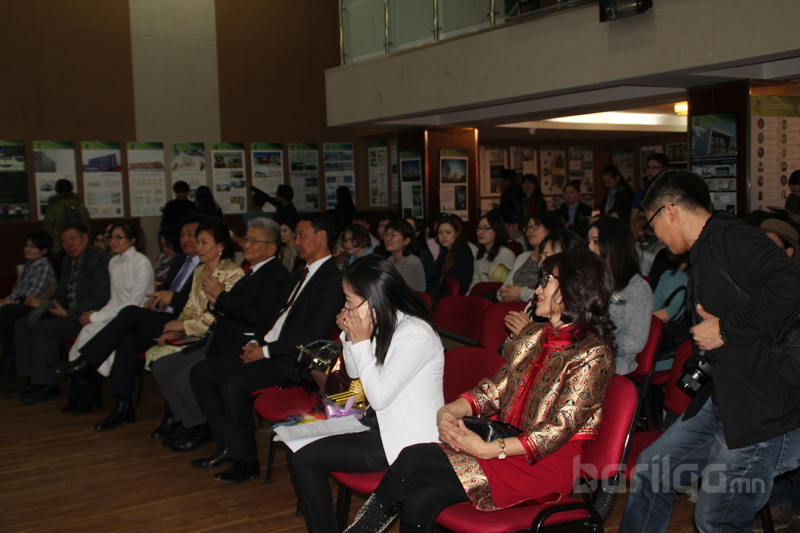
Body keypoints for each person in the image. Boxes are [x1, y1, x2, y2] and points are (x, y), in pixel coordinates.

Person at [344, 248, 616, 533]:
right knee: (419, 501)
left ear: (572, 288)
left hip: (542, 467)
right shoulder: (534, 335)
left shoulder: (593, 353)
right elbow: (495, 390)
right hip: (503, 448)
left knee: (414, 459)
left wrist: (489, 449)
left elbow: (558, 429)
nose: (537, 289)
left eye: (546, 281)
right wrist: (451, 409)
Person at [620, 169, 800, 532]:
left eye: (652, 224)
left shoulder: (731, 237)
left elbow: (791, 285)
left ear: (670, 211)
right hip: (724, 400)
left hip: (762, 410)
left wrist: (725, 329)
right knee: (653, 470)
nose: (654, 235)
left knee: (716, 518)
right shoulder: (706, 247)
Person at [286, 254, 445, 533]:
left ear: (371, 300)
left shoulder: (416, 334)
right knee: (296, 447)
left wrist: (359, 342)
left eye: (350, 300)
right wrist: (350, 336)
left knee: (304, 456)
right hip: (379, 427)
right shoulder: (383, 321)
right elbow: (354, 371)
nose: (345, 307)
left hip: (407, 442)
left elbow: (378, 397)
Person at [189, 214, 345, 483]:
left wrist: (266, 351)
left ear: (321, 238)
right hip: (269, 348)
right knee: (201, 373)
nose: (296, 241)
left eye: (301, 235)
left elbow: (312, 337)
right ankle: (228, 445)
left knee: (233, 383)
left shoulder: (332, 280)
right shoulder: (299, 275)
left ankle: (246, 461)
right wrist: (257, 343)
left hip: (293, 359)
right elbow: (274, 319)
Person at [47, 216, 243, 430]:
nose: (191, 242)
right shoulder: (185, 263)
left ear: (220, 244)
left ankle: (87, 362)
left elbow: (212, 311)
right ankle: (123, 406)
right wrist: (160, 305)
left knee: (130, 313)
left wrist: (177, 316)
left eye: (198, 239)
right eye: (185, 236)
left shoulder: (228, 271)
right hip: (172, 320)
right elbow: (186, 304)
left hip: (194, 328)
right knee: (126, 340)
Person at [150, 218, 289, 454]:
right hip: (217, 337)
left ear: (271, 248)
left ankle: (204, 429)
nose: (246, 244)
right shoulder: (252, 272)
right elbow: (221, 310)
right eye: (245, 239)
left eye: (254, 241)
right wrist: (216, 303)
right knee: (162, 367)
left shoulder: (274, 275)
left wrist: (220, 297)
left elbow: (255, 315)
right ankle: (190, 423)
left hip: (239, 344)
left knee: (190, 376)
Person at [10, 224, 110, 404]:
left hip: (86, 315)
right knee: (22, 325)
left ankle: (47, 385)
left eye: (73, 238)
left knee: (44, 328)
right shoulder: (67, 261)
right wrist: (48, 305)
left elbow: (100, 297)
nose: (69, 244)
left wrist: (68, 313)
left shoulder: (100, 259)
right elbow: (60, 291)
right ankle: (29, 380)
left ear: (84, 238)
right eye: (64, 241)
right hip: (64, 311)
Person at [62, 222, 155, 413]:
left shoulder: (141, 262)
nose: (113, 241)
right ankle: (78, 385)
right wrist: (96, 316)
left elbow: (134, 303)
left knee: (100, 333)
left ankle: (88, 393)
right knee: (88, 330)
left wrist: (98, 316)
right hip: (118, 314)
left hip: (136, 318)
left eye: (119, 237)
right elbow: (114, 299)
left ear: (132, 240)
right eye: (111, 237)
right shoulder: (113, 262)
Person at [587, 216, 653, 375]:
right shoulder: (594, 280)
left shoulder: (637, 288)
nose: (589, 247)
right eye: (589, 242)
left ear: (613, 246)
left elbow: (636, 341)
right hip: (588, 359)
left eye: (595, 242)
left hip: (614, 366)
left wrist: (595, 345)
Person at [503, 230, 587, 346]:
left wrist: (529, 337)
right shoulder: (539, 296)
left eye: (547, 256)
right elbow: (506, 347)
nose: (540, 263)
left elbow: (559, 354)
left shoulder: (581, 320)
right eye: (540, 256)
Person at [0, 231, 56, 389]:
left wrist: (7, 303)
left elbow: (31, 295)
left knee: (6, 312)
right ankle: (7, 376)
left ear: (43, 250)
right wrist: (5, 301)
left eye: (32, 247)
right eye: (26, 245)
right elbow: (16, 291)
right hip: (17, 305)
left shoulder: (43, 267)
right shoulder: (28, 266)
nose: (27, 249)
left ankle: (6, 374)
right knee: (8, 324)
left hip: (36, 307)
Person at [496, 212, 561, 303]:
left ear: (550, 227)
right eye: (529, 227)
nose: (530, 230)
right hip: (511, 307)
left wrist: (521, 293)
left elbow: (554, 296)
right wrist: (504, 294)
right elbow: (502, 291)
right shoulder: (522, 257)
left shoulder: (555, 258)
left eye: (536, 225)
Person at [427, 214, 473, 300]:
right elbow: (434, 277)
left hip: (457, 299)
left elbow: (452, 282)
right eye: (440, 233)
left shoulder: (463, 253)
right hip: (442, 295)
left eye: (448, 232)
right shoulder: (444, 253)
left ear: (457, 233)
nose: (444, 236)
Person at [42, 179, 90, 258]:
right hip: (80, 246)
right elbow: (87, 227)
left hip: (60, 248)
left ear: (57, 190)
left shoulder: (53, 208)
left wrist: (56, 247)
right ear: (71, 190)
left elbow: (48, 229)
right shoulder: (81, 207)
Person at [470, 214, 515, 293]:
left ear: (497, 231)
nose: (480, 232)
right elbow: (475, 283)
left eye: (486, 228)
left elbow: (502, 286)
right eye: (479, 228)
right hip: (481, 296)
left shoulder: (505, 254)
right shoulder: (479, 253)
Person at [629, 152, 670, 234]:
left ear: (665, 169)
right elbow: (633, 220)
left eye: (655, 167)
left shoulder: (670, 192)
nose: (651, 170)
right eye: (648, 167)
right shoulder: (640, 193)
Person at [384, 219, 426, 292]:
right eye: (386, 234)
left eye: (393, 235)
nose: (387, 238)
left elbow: (397, 289)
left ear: (406, 241)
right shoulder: (390, 259)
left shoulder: (412, 262)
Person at [632, 209, 666, 277]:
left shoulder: (661, 249)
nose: (641, 223)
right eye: (638, 219)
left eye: (645, 220)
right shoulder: (632, 246)